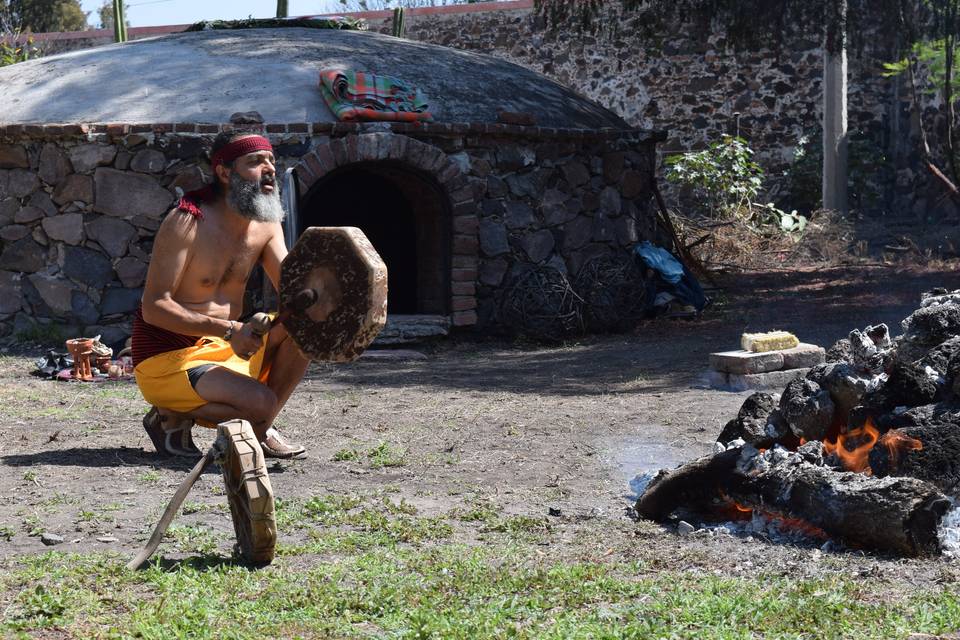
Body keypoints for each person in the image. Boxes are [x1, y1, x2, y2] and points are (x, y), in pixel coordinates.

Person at [132, 132, 310, 459]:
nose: (269, 169)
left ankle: (256, 425)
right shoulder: (186, 220)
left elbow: (295, 290)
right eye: (255, 162)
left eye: (271, 160)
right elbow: (153, 308)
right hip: (168, 359)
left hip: (222, 348)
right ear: (225, 172)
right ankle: (178, 414)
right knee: (260, 402)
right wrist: (230, 330)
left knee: (305, 329)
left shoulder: (267, 225)